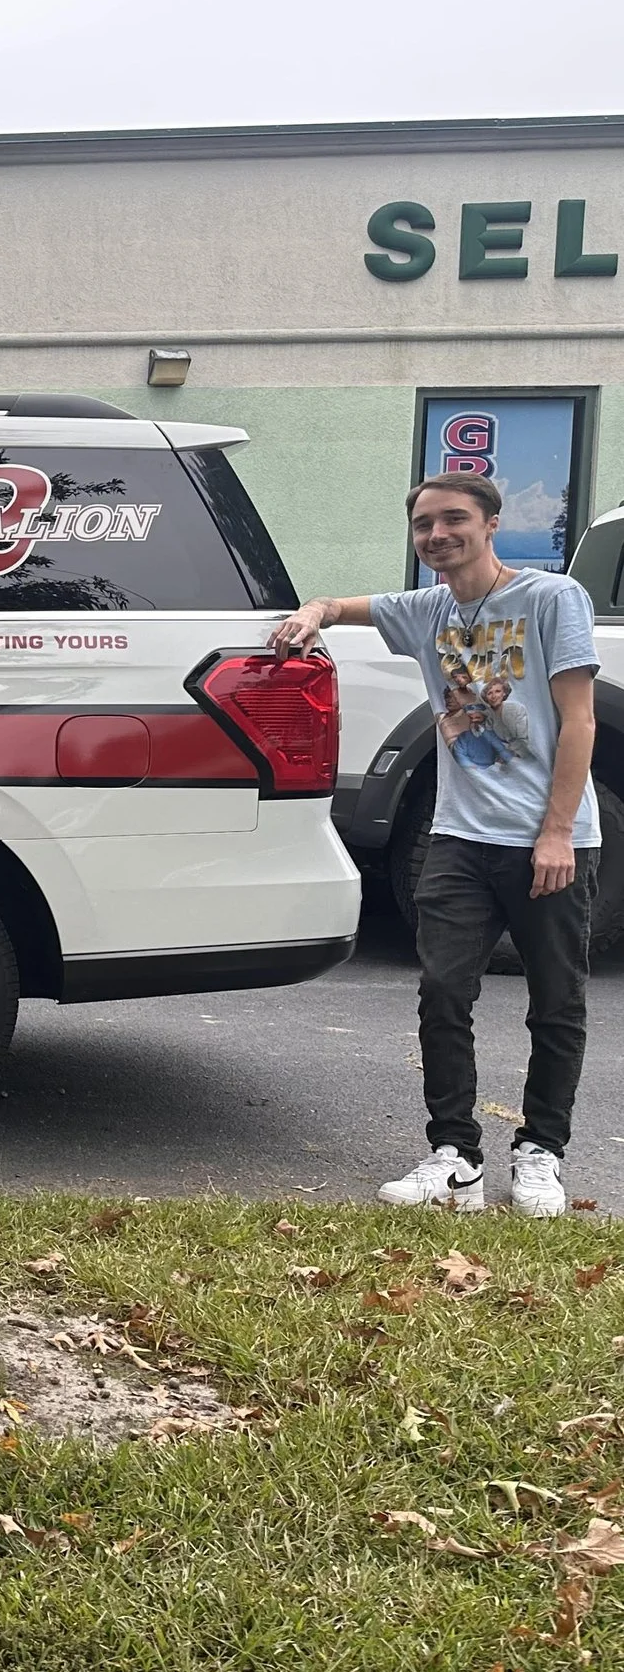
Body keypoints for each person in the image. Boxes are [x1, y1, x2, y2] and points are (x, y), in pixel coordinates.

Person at [272, 473, 600, 1216]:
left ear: (490, 523)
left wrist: (556, 833)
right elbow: (342, 605)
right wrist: (311, 614)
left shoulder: (551, 600)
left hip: (549, 839)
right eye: (424, 524)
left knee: (556, 1002)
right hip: (456, 837)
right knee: (443, 991)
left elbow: (578, 720)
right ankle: (455, 1157)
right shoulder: (426, 609)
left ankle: (540, 1150)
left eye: (454, 519)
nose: (437, 534)